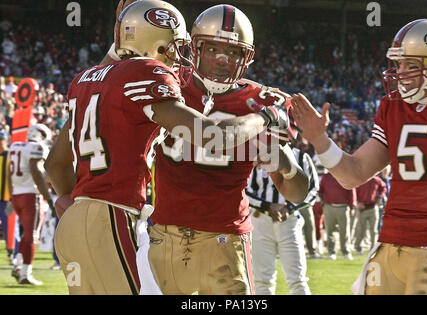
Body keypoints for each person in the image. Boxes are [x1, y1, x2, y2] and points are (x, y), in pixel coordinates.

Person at [45, 0, 290, 295]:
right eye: (173, 46)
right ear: (157, 46)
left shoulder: (86, 79)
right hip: (111, 215)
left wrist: (73, 203)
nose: (178, 55)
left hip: (75, 223)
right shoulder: (146, 72)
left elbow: (54, 163)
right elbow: (213, 137)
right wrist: (265, 116)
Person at [148, 4, 309, 295]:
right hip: (166, 232)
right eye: (213, 49)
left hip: (226, 235)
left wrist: (285, 163)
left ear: (246, 57)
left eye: (234, 52)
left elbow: (296, 192)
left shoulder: (262, 99)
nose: (223, 59)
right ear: (195, 48)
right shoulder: (167, 83)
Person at [291, 19, 427, 294]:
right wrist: (319, 140)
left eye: (412, 65)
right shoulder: (393, 107)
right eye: (398, 65)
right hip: (389, 241)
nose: (401, 73)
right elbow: (354, 173)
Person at [246, 144, 316, 295]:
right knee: (262, 279)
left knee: (297, 279)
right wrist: (266, 206)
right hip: (260, 219)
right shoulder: (254, 156)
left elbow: (312, 189)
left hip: (288, 220)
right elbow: (243, 189)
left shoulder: (301, 157)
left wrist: (289, 207)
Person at [9, 124, 55, 285]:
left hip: (17, 195)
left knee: (27, 234)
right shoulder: (36, 147)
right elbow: (36, 173)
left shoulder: (15, 146)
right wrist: (48, 197)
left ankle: (18, 265)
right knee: (32, 235)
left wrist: (11, 195)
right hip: (31, 196)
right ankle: (25, 274)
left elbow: (10, 172)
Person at [318, 171, 356, 260]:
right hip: (328, 207)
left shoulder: (346, 176)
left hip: (343, 207)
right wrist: (323, 202)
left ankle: (346, 252)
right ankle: (331, 252)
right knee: (329, 231)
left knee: (344, 231)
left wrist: (352, 207)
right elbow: (321, 190)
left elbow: (351, 192)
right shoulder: (326, 177)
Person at [354, 175, 386, 255]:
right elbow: (353, 191)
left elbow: (383, 188)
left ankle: (373, 249)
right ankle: (358, 248)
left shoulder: (376, 180)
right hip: (362, 208)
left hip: (373, 207)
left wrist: (380, 197)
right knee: (361, 229)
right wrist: (357, 202)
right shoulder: (360, 180)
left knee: (374, 230)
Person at [0, 130, 18, 265]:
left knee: (10, 228)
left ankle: (13, 254)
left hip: (7, 199)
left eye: (2, 139)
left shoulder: (10, 156)